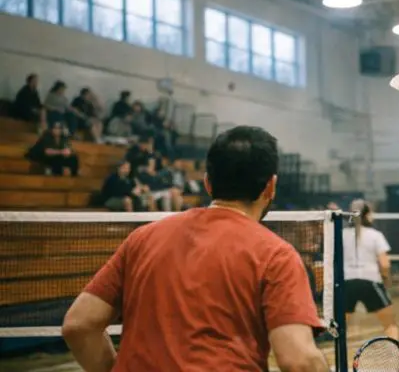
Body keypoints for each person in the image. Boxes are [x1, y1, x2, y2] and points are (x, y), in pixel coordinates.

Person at [62, 126, 328, 372]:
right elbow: (299, 360)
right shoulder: (276, 255)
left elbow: (79, 325)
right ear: (271, 186)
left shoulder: (141, 238)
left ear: (207, 183)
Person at [343, 199, 399, 339]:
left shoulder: (341, 234)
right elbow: (385, 264)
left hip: (346, 282)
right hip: (371, 280)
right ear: (367, 215)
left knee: (340, 327)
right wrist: (387, 280)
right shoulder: (375, 235)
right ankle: (397, 357)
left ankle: (339, 360)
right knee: (389, 325)